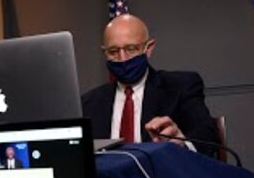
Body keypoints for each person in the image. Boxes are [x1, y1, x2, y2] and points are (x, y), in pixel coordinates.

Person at [81, 13, 218, 157]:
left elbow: (206, 135)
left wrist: (182, 143)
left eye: (131, 49)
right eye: (113, 51)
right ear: (105, 53)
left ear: (149, 48)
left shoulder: (180, 86)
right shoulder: (89, 103)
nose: (122, 58)